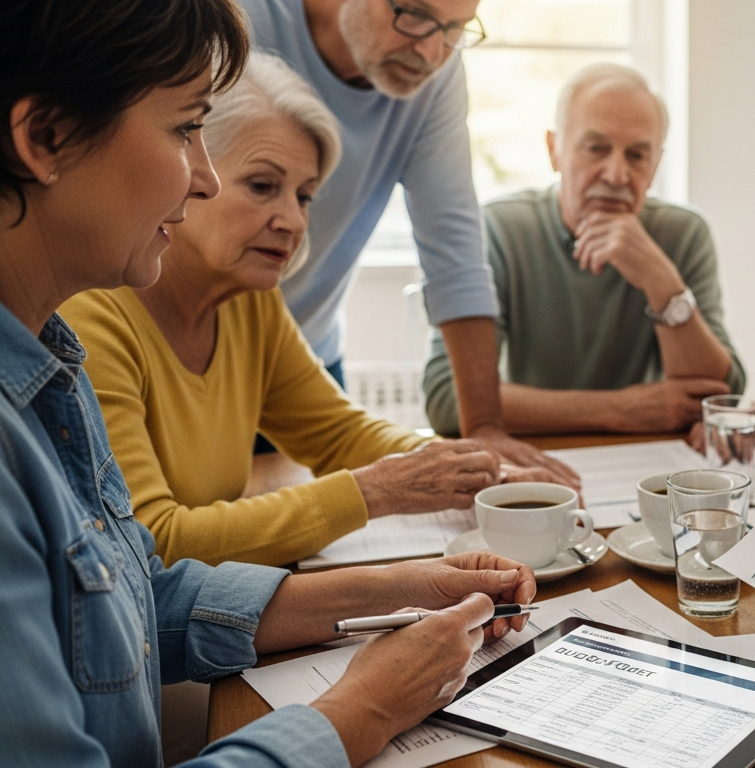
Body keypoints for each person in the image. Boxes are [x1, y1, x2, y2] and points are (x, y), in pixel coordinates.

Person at [0, 2, 537, 766]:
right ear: (45, 138)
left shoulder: (52, 362)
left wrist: (399, 586)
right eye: (185, 128)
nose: (202, 175)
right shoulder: (74, 351)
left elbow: (131, 596)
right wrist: (366, 706)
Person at [61, 52, 550, 568]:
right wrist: (376, 491)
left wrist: (469, 469)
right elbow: (153, 542)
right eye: (263, 186)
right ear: (191, 173)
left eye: (305, 196)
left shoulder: (250, 301)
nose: (293, 221)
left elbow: (340, 434)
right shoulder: (93, 316)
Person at [235, 0, 578, 486]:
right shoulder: (238, 21)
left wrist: (483, 428)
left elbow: (455, 249)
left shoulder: (434, 75)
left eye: (457, 28)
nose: (433, 51)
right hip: (188, 350)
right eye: (413, 15)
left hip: (303, 358)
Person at [422, 63, 745, 436]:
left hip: (646, 460)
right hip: (539, 456)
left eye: (638, 155)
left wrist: (662, 282)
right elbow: (446, 400)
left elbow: (721, 397)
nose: (616, 175)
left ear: (656, 164)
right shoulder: (499, 229)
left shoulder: (683, 234)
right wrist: (621, 410)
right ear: (554, 150)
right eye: (596, 149)